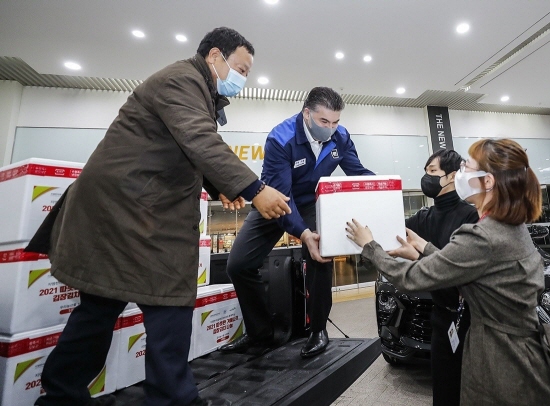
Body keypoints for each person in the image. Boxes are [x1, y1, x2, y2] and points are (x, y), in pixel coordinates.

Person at [34, 27, 291, 406]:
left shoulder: (195, 87)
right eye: (241, 68)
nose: (243, 78)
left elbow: (178, 148)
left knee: (101, 310)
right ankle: (167, 399)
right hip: (125, 214)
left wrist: (218, 185)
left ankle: (61, 395)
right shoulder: (182, 79)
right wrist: (254, 189)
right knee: (164, 307)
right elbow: (200, 139)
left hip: (131, 214)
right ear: (215, 57)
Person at [346, 139, 550, 405]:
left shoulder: (483, 235)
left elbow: (411, 278)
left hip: (502, 358)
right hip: (524, 352)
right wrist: (424, 247)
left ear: (487, 181)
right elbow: (469, 264)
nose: (461, 173)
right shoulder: (509, 226)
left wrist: (369, 246)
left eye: (467, 167)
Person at [220, 87, 374, 358]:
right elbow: (282, 196)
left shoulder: (341, 136)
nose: (331, 128)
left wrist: (382, 190)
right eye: (324, 121)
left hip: (312, 202)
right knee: (239, 265)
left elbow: (356, 173)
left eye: (336, 121)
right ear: (307, 114)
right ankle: (260, 333)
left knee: (320, 252)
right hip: (276, 200)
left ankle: (317, 330)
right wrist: (302, 232)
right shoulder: (281, 139)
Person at [407, 149, 479, 406]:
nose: (426, 177)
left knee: (470, 385)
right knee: (443, 385)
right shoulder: (422, 217)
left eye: (432, 172)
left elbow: (456, 268)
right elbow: (392, 232)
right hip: (441, 314)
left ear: (450, 177)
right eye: (426, 171)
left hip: (470, 316)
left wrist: (420, 252)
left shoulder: (470, 216)